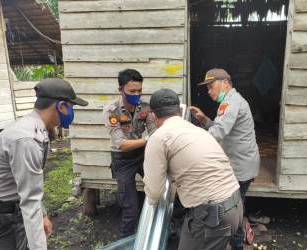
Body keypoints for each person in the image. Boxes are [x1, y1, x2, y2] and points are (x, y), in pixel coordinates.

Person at [0, 78, 88, 250]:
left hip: (11, 208)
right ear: (61, 106)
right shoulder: (26, 139)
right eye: (71, 107)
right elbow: (30, 200)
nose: (71, 112)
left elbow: (30, 187)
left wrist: (43, 214)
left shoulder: (37, 130)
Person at [143, 88, 243, 250]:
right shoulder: (197, 130)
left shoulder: (158, 137)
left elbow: (154, 191)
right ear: (179, 111)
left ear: (153, 116)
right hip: (235, 207)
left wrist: (153, 204)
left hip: (213, 217)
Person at [190, 68, 260, 248]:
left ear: (225, 83)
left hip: (240, 166)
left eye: (211, 86)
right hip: (241, 162)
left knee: (233, 207)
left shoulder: (231, 103)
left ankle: (236, 244)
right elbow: (222, 128)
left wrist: (191, 142)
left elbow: (219, 132)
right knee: (236, 205)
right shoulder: (231, 101)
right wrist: (204, 119)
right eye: (207, 89)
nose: (209, 92)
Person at [103, 69, 156, 238]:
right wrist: (148, 140)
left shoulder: (145, 107)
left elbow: (153, 130)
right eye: (132, 91)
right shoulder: (112, 111)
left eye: (140, 90)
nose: (137, 94)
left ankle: (157, 231)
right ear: (121, 90)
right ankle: (126, 239)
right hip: (122, 159)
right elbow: (121, 144)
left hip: (142, 155)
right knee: (130, 207)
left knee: (158, 188)